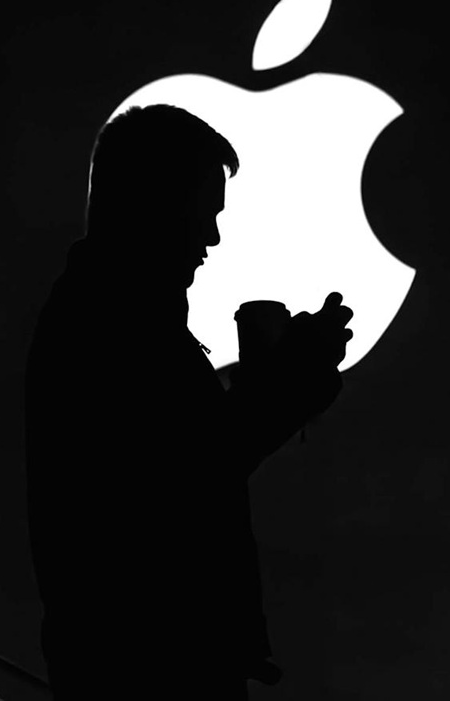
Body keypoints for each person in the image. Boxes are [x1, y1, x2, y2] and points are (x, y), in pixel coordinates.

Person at [25, 104, 353, 699]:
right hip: (153, 668)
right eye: (204, 213)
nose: (213, 236)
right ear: (154, 202)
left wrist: (287, 378)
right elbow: (195, 464)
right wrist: (298, 372)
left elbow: (179, 449)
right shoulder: (113, 323)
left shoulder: (101, 315)